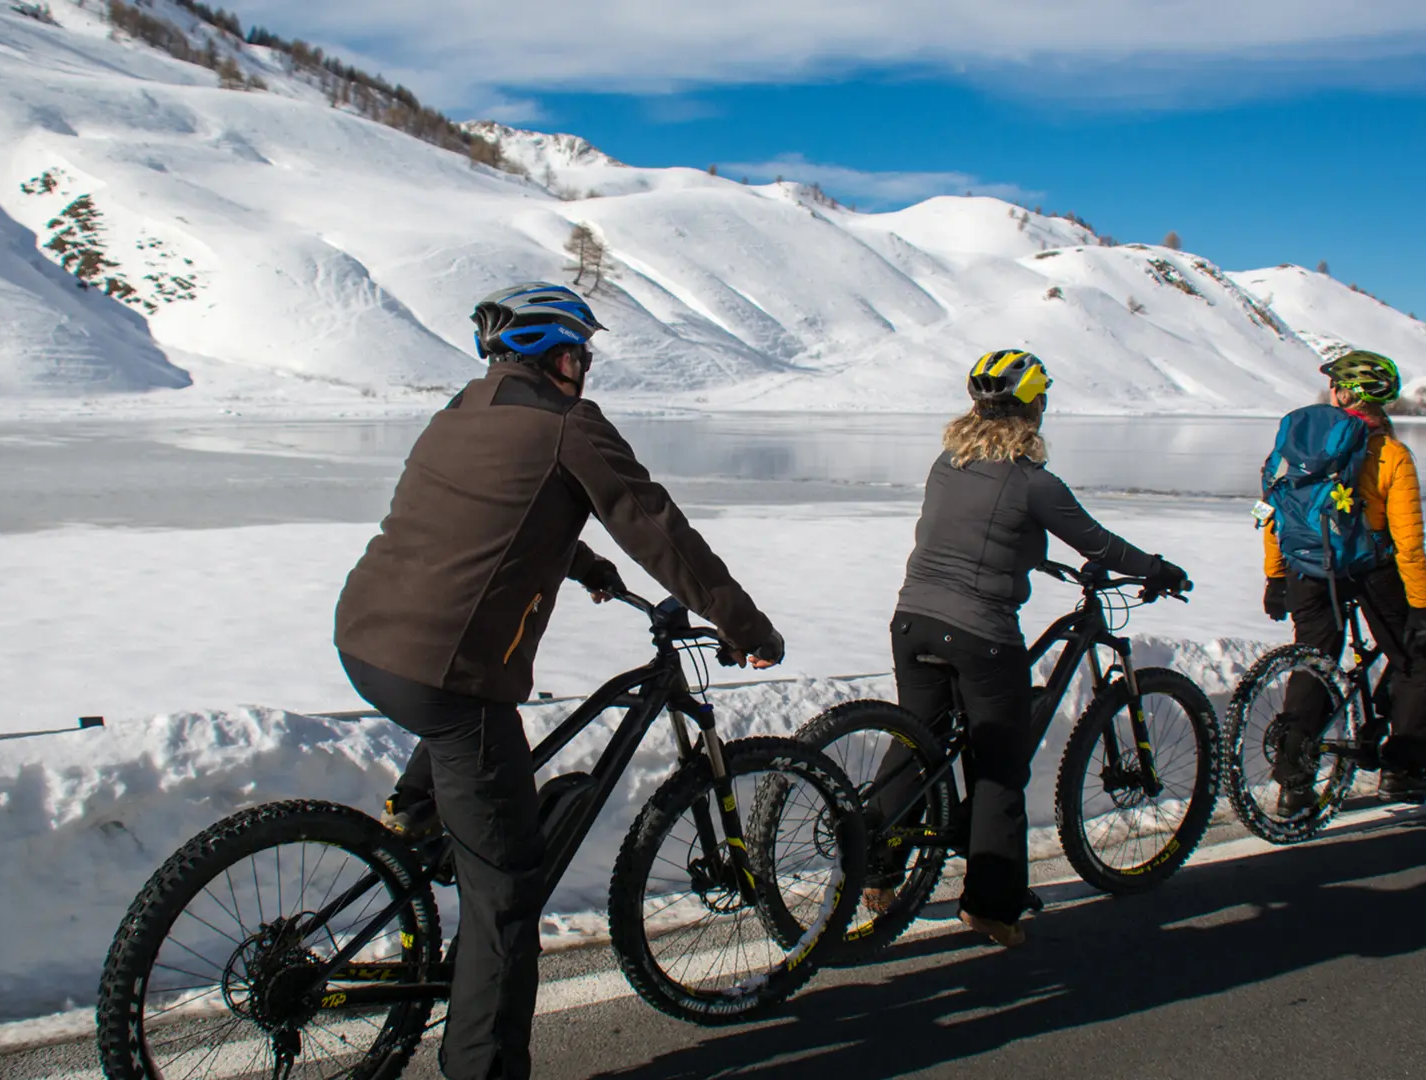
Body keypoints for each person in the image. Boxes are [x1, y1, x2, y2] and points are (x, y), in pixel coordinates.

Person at [333, 282, 784, 1080]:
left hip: (368, 640)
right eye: (581, 353)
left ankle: (415, 808)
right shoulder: (570, 425)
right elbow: (660, 529)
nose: (587, 369)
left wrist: (582, 565)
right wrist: (744, 626)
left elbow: (489, 508)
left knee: (463, 745)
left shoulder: (461, 412)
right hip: (450, 671)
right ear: (553, 355)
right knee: (507, 888)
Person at [884, 348, 1190, 947]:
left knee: (915, 745)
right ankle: (992, 906)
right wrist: (1157, 569)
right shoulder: (1033, 482)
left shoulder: (947, 462)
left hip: (911, 619)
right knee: (1000, 766)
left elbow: (969, 531)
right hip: (978, 633)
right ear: (1032, 407)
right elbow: (1099, 544)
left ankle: (878, 870)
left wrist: (1026, 554)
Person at [1260, 349, 1426, 817]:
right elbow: (1407, 542)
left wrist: (1275, 576)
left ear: (1344, 394)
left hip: (1307, 568)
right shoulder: (1392, 455)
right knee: (1418, 662)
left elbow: (1276, 509)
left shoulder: (1303, 443)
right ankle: (1403, 770)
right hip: (1369, 572)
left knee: (1314, 663)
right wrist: (1421, 607)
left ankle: (1294, 782)